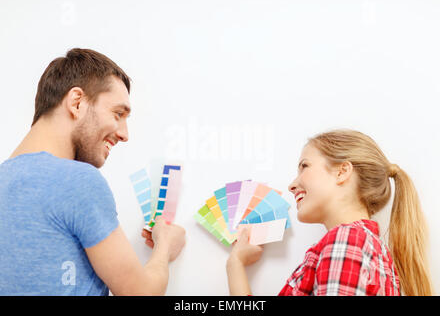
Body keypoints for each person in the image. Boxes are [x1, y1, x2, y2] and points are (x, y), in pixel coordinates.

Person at [0, 48, 186, 295]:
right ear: (77, 102)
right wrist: (164, 249)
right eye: (118, 114)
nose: (124, 134)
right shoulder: (76, 181)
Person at [227, 129, 433, 296]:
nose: (291, 185)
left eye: (304, 166)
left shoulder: (347, 240)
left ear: (342, 172)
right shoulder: (357, 243)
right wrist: (235, 264)